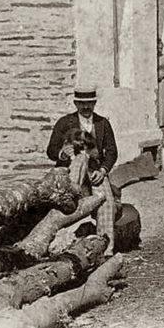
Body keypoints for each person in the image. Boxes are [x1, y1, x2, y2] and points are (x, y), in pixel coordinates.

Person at [46, 83, 119, 253]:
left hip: (95, 172)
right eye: (82, 103)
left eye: (90, 103)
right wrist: (62, 154)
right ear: (75, 103)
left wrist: (103, 171)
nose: (86, 107)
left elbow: (112, 152)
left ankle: (104, 249)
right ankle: (62, 245)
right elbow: (51, 151)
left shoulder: (102, 123)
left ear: (94, 103)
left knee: (106, 202)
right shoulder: (65, 123)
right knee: (67, 201)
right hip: (72, 171)